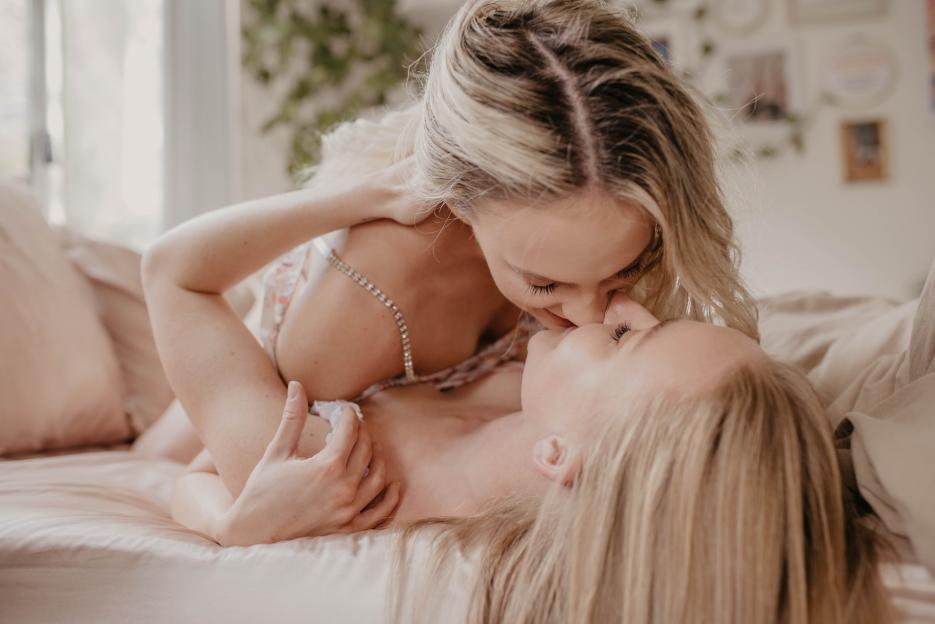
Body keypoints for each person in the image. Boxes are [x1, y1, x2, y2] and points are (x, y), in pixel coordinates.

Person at [137, 0, 758, 467]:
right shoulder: (362, 307)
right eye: (545, 284)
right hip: (264, 364)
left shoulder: (612, 208)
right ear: (461, 202)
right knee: (152, 451)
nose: (593, 315)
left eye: (622, 270)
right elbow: (233, 471)